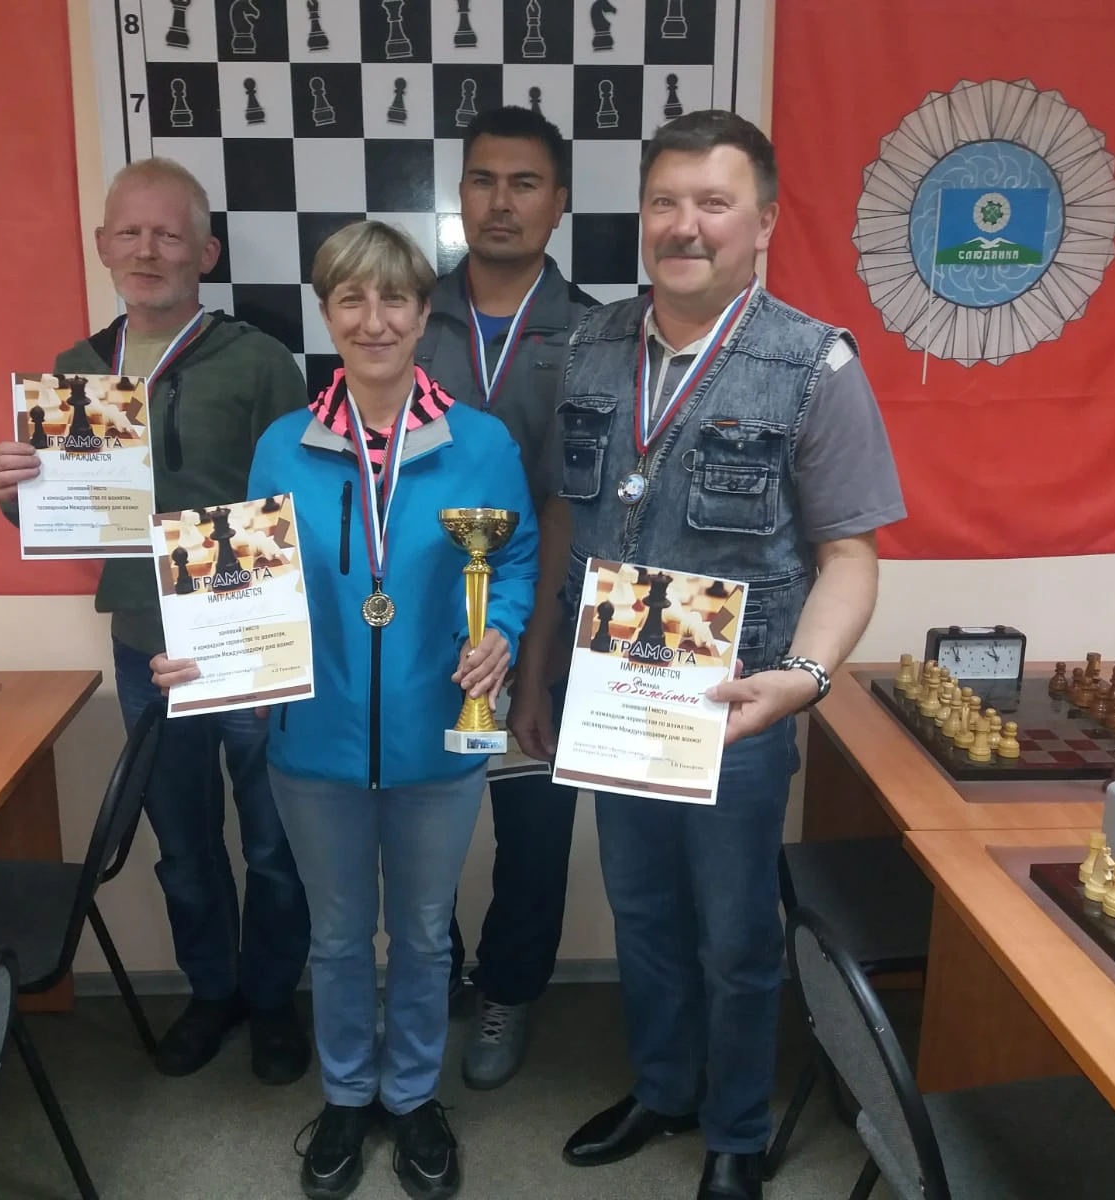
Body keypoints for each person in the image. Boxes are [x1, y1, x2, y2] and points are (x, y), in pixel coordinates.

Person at [556, 111, 907, 1200]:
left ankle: (736, 1131)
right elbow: (570, 519)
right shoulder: (589, 346)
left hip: (734, 704)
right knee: (642, 914)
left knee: (736, 935)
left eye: (713, 203)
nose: (684, 225)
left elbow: (849, 557)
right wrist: (540, 677)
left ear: (762, 222)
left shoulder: (813, 363)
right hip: (616, 696)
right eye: (664, 202)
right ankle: (665, 1087)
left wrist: (803, 679)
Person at [156, 220, 539, 1200]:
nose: (375, 321)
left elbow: (515, 561)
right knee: (333, 938)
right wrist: (205, 655)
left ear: (422, 313)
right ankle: (344, 1092)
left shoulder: (481, 443)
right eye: (352, 300)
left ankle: (410, 1096)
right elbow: (250, 586)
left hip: (439, 742)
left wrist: (499, 628)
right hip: (312, 748)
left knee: (422, 936)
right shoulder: (283, 447)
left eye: (394, 299)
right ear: (326, 314)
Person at [0, 157, 314, 1084]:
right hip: (144, 646)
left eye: (169, 234)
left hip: (246, 646)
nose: (148, 249)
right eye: (129, 232)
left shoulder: (259, 362)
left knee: (274, 843)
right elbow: (65, 520)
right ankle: (212, 993)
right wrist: (15, 495)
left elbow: (302, 498)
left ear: (205, 253)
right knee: (182, 845)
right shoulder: (75, 372)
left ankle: (272, 998)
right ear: (102, 245)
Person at [413, 104, 598, 1090]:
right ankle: (433, 967)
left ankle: (510, 990)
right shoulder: (409, 314)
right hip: (419, 629)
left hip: (547, 622)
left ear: (558, 201)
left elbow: (574, 503)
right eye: (483, 180)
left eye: (524, 183)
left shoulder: (601, 332)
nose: (501, 201)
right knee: (421, 822)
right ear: (460, 193)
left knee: (532, 834)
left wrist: (536, 666)